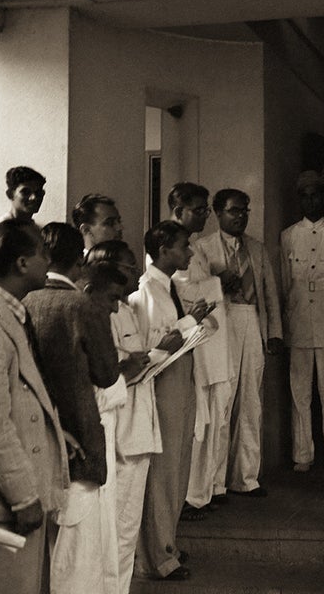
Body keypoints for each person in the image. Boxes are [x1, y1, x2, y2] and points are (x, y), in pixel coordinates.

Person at [24, 223, 123, 594]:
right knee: (79, 559)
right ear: (80, 260)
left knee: (42, 560)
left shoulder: (23, 302)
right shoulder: (81, 306)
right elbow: (107, 373)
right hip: (79, 439)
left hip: (35, 442)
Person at [85, 241, 181, 594]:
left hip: (138, 426)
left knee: (125, 530)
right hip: (121, 430)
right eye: (127, 268)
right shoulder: (101, 314)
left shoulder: (123, 308)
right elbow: (117, 372)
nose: (134, 273)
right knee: (117, 530)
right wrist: (157, 353)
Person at [131, 221, 211, 581]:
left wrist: (191, 322)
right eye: (183, 247)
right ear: (163, 250)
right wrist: (185, 326)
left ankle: (168, 545)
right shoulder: (146, 292)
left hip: (181, 382)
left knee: (178, 465)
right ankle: (157, 557)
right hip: (163, 386)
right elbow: (151, 348)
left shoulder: (168, 288)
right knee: (163, 472)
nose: (189, 252)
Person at [0, 220, 68, 594]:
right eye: (43, 252)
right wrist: (23, 495)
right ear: (22, 263)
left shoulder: (13, 313)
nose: (49, 260)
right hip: (7, 503)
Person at [195, 189, 283, 497]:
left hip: (252, 321)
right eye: (234, 211)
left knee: (251, 402)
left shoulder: (256, 248)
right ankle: (215, 483)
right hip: (222, 322)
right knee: (222, 401)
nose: (241, 216)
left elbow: (269, 292)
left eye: (244, 211)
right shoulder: (202, 248)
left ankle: (246, 478)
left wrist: (274, 332)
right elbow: (195, 293)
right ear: (218, 213)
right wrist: (218, 283)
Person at [168, 182, 231, 516]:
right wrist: (218, 282)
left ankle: (203, 490)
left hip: (210, 341)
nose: (206, 215)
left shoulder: (193, 247)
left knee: (211, 420)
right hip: (194, 343)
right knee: (197, 424)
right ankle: (189, 495)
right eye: (199, 209)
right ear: (179, 211)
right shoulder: (169, 244)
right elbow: (184, 292)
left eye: (207, 208)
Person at [280, 170, 324, 473]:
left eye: (316, 195)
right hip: (298, 319)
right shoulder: (288, 235)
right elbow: (284, 282)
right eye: (305, 196)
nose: (311, 201)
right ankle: (302, 455)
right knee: (300, 392)